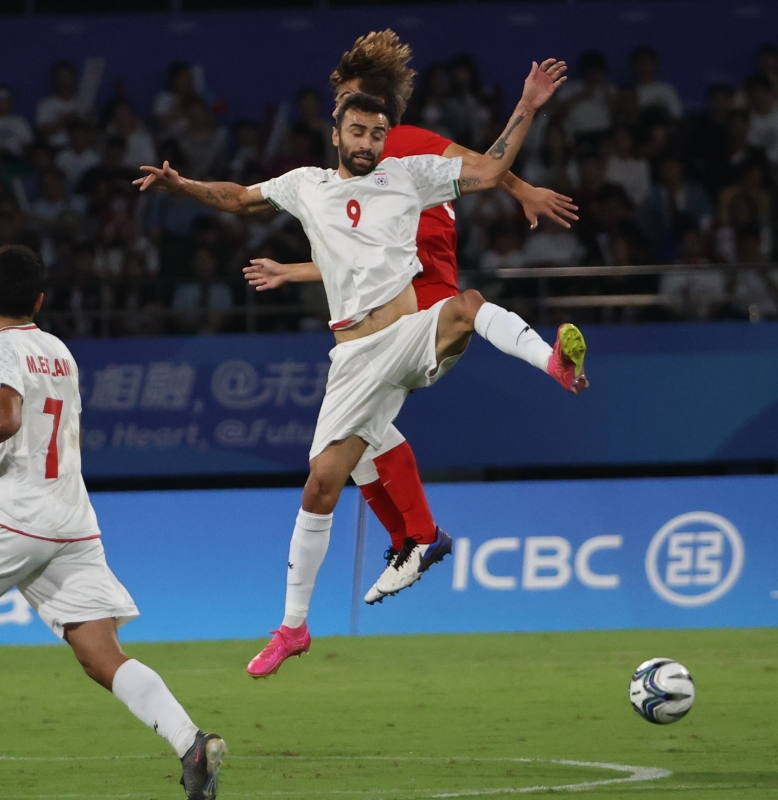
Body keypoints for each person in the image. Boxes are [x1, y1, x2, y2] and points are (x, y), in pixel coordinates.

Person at [137, 64, 584, 680]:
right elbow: (239, 198)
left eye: (377, 133)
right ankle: (294, 628)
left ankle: (552, 363)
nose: (369, 142)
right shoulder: (306, 185)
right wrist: (182, 185)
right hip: (353, 359)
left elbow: (486, 170)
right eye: (358, 132)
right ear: (337, 133)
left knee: (466, 307)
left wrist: (528, 105)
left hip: (408, 334)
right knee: (321, 486)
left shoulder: (409, 175)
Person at [240, 30, 579, 610]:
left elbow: (481, 166)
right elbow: (351, 263)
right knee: (358, 437)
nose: (341, 108)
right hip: (400, 300)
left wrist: (521, 189)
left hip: (421, 302)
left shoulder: (402, 144)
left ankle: (417, 536)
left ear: (371, 99)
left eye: (346, 96)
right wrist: (291, 272)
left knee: (361, 431)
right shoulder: (355, 171)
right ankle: (413, 540)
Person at [0, 244, 225, 800]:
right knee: (102, 656)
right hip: (72, 520)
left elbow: (8, 420)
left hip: (18, 514)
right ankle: (191, 743)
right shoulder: (59, 351)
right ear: (40, 300)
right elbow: (36, 422)